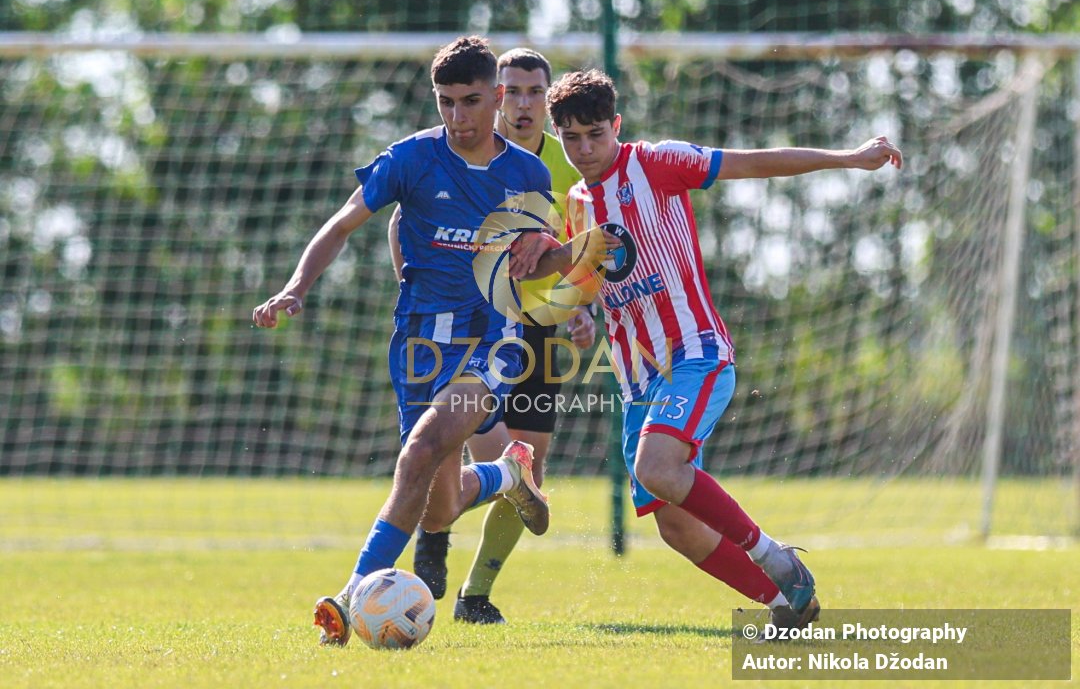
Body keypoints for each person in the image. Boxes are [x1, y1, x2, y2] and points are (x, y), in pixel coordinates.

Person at [521, 69, 902, 629]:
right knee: (675, 525)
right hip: (636, 382)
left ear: (616, 126)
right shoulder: (577, 202)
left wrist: (847, 158)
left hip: (694, 352)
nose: (584, 149)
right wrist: (572, 304)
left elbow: (753, 162)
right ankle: (786, 604)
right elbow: (589, 274)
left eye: (595, 135)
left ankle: (773, 555)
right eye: (571, 138)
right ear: (559, 134)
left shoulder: (656, 162)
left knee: (657, 465)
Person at [252, 36, 555, 647]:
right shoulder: (411, 159)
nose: (458, 117)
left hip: (491, 342)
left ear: (496, 98)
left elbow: (539, 255)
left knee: (417, 453)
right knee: (437, 507)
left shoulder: (528, 172)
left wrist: (545, 256)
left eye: (471, 102)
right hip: (418, 345)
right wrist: (295, 286)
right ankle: (507, 475)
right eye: (446, 102)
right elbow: (341, 225)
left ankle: (348, 597)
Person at [388, 48, 596, 624]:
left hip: (541, 331)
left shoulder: (564, 166)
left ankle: (475, 596)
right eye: (516, 91)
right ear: (499, 95)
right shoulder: (460, 150)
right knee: (478, 451)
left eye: (537, 93)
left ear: (549, 101)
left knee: (530, 467)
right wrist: (414, 287)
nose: (525, 103)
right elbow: (401, 220)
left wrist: (581, 305)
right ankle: (434, 541)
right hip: (471, 327)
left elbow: (586, 245)